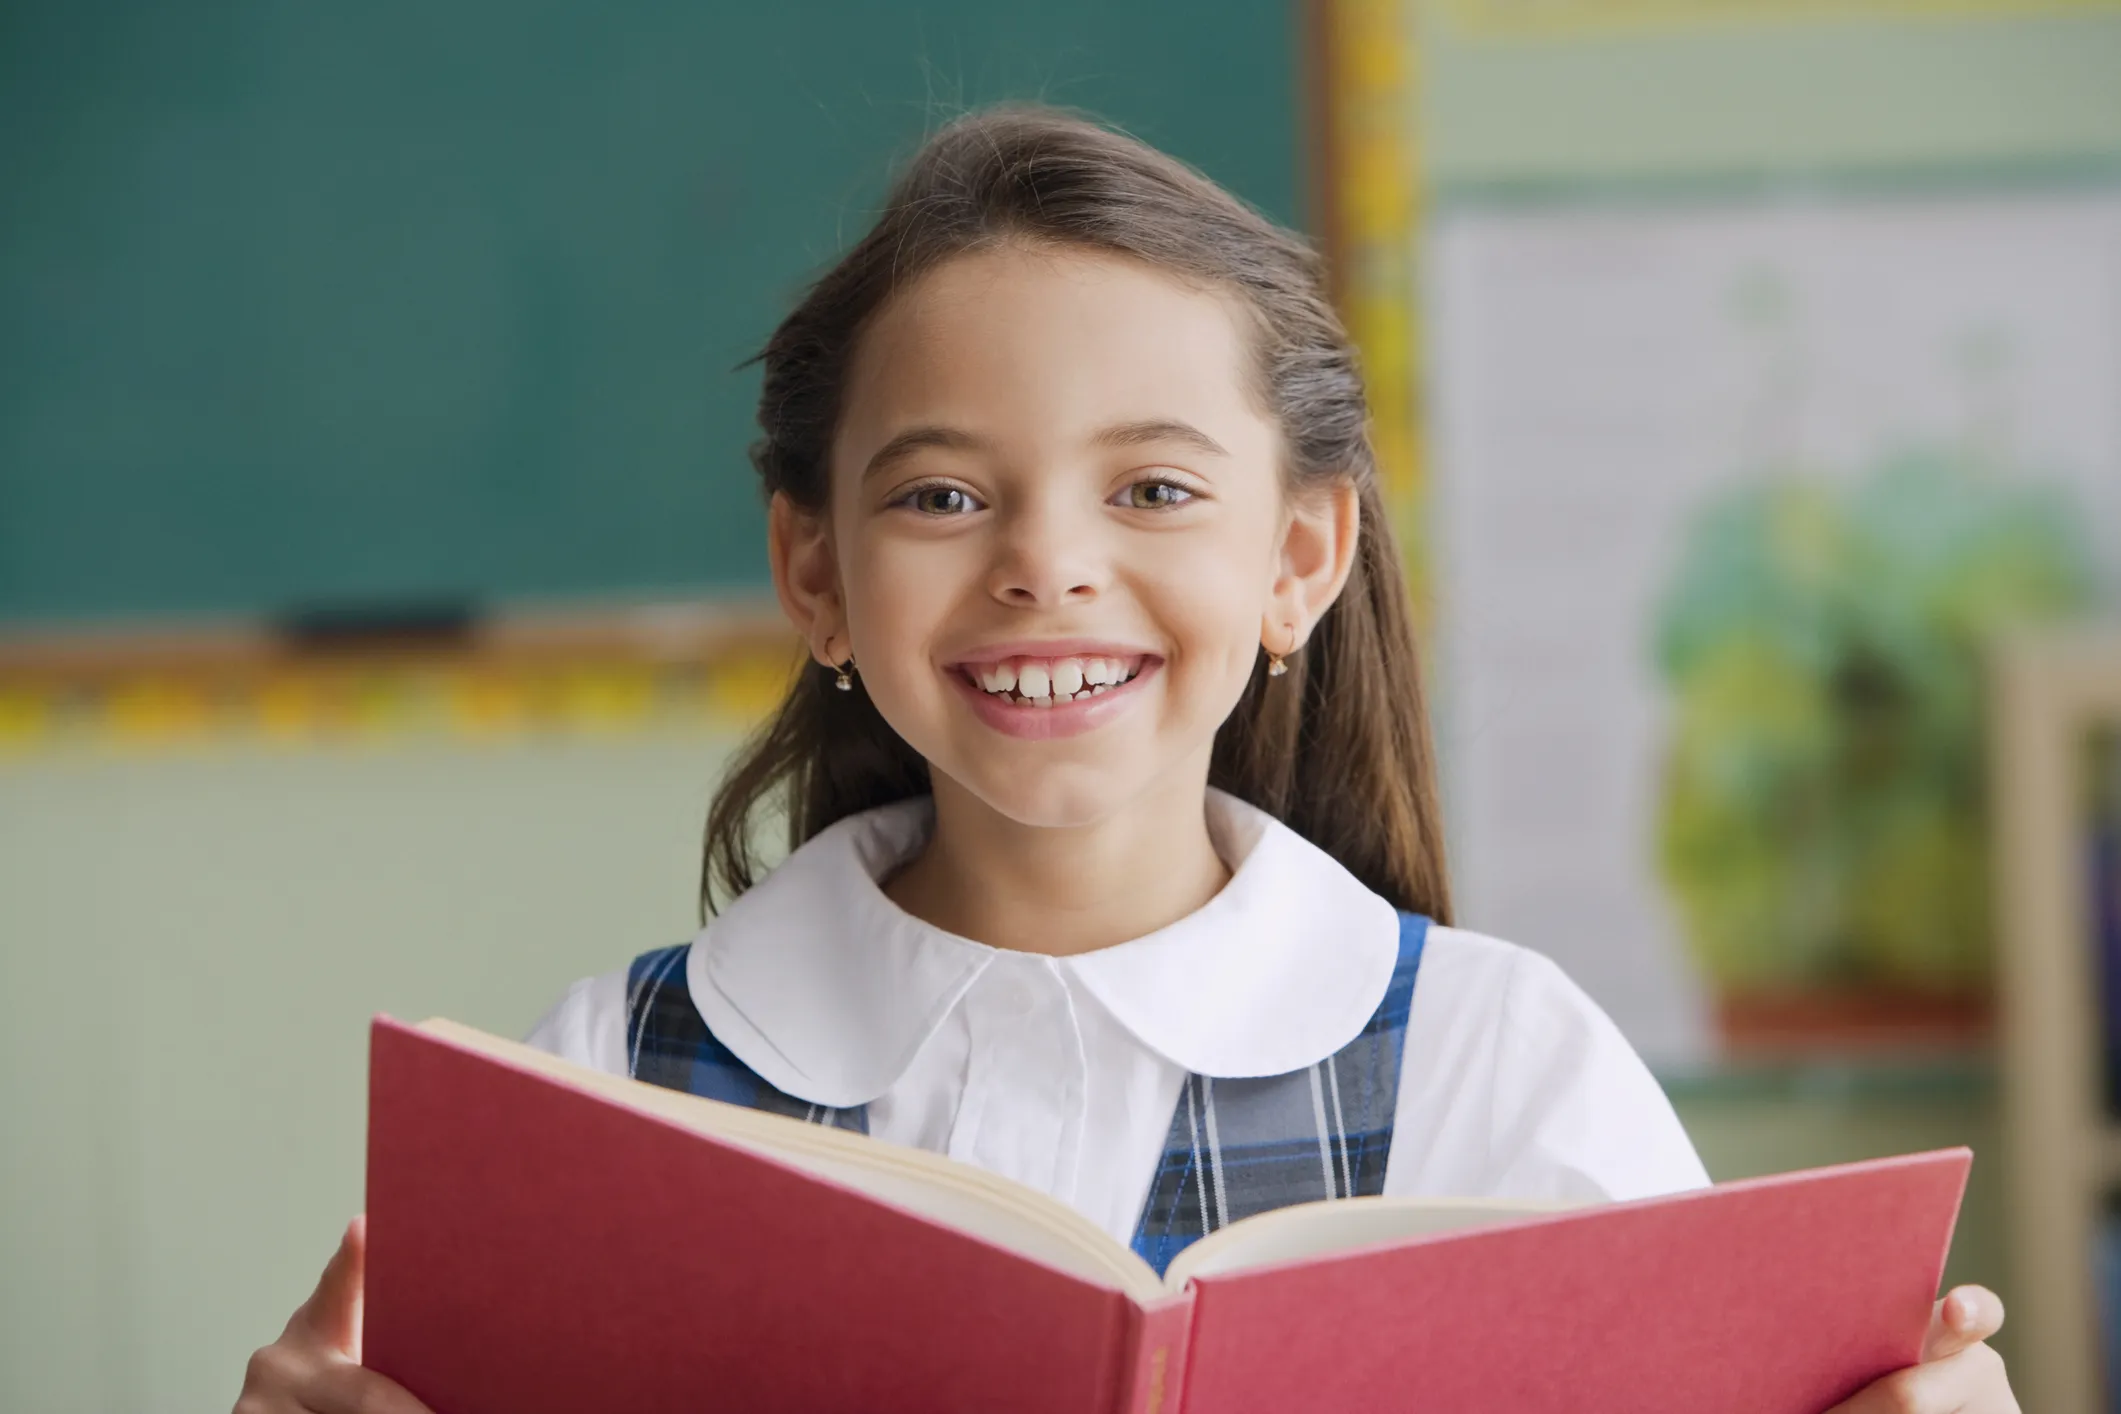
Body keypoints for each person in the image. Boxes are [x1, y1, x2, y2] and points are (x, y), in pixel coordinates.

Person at [234, 106, 2017, 1413]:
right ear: (812, 570)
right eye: (941, 493)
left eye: (1153, 487)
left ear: (1298, 559)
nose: (1045, 562)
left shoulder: (1505, 1067)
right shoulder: (609, 1083)